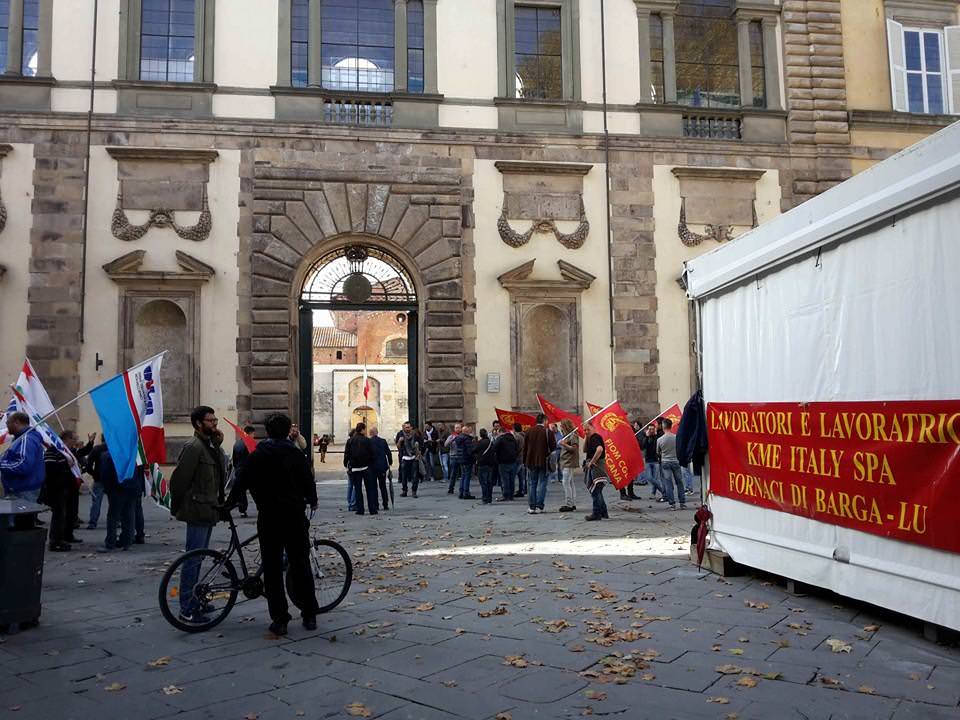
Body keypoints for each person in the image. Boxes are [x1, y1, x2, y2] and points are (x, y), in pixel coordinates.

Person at [232, 412, 321, 636]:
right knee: (300, 565)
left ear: (268, 431)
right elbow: (307, 480)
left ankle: (280, 618)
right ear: (286, 431)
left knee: (272, 569)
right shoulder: (295, 453)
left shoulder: (259, 453)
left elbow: (241, 479)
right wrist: (312, 500)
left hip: (269, 517)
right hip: (293, 516)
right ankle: (309, 613)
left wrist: (228, 504)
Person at [169, 405, 227, 624]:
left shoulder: (209, 445)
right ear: (198, 424)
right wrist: (178, 507)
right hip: (197, 510)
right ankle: (187, 607)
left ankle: (195, 599)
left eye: (215, 420)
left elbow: (220, 473)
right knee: (192, 560)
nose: (214, 423)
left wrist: (217, 445)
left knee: (199, 557)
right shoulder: (193, 447)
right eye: (210, 421)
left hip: (209, 509)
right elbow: (178, 481)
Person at [43, 430, 84, 551]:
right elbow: (50, 468)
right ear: (67, 439)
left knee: (66, 514)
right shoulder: (53, 450)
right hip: (56, 488)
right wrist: (67, 465)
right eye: (74, 439)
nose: (75, 442)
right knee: (58, 516)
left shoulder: (65, 452)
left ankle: (65, 537)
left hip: (66, 487)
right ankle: (55, 541)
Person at [98, 448, 141, 551]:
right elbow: (138, 471)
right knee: (129, 516)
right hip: (132, 488)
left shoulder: (108, 455)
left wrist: (108, 489)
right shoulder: (132, 453)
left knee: (113, 517)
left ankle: (110, 543)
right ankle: (127, 543)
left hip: (117, 489)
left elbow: (105, 475)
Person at [0, 412, 46, 506]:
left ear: (16, 422)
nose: (6, 426)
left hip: (23, 491)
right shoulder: (21, 438)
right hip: (22, 489)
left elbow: (22, 465)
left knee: (21, 520)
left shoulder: (27, 439)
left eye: (8, 422)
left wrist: (1, 464)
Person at [522, 414, 557, 514]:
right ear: (544, 421)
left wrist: (525, 461)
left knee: (532, 484)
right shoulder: (548, 432)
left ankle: (532, 507)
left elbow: (525, 448)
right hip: (544, 462)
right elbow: (553, 447)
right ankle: (539, 506)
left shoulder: (528, 431)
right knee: (542, 483)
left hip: (531, 461)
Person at [344, 422, 378, 515]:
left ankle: (360, 509)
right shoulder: (367, 440)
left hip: (355, 468)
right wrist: (371, 464)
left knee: (358, 489)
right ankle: (372, 509)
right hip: (366, 467)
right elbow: (373, 454)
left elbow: (346, 454)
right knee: (369, 489)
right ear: (362, 429)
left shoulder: (350, 441)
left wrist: (347, 465)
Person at [657, 418, 686, 510]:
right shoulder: (676, 437)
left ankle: (672, 504)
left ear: (663, 426)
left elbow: (658, 452)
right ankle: (682, 503)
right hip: (676, 461)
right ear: (671, 426)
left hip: (665, 462)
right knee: (679, 482)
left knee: (668, 483)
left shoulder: (660, 440)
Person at [583, 421, 609, 521]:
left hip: (597, 468)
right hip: (596, 468)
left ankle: (596, 513)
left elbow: (600, 449)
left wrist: (592, 462)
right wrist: (586, 437)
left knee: (595, 491)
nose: (586, 431)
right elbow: (585, 450)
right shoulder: (591, 438)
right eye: (584, 430)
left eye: (588, 429)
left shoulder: (595, 437)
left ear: (593, 428)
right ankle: (604, 512)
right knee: (598, 491)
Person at [231, 424, 256, 518]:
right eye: (253, 433)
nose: (254, 436)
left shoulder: (237, 444)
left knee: (241, 492)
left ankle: (242, 510)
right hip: (250, 471)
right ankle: (261, 507)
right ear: (249, 433)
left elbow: (234, 460)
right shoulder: (250, 443)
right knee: (255, 490)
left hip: (239, 470)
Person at [83, 436, 107, 529]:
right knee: (114, 502)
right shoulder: (115, 447)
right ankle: (116, 521)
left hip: (99, 478)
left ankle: (93, 522)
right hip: (112, 479)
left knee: (96, 502)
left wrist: (94, 474)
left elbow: (88, 465)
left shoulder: (97, 449)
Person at [557, 419, 580, 512]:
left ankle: (569, 504)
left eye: (562, 426)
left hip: (569, 462)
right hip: (566, 461)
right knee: (570, 483)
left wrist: (563, 444)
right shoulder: (567, 435)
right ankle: (572, 503)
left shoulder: (573, 435)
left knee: (565, 482)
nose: (561, 428)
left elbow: (574, 449)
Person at [494, 425, 520, 501]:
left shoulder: (500, 439)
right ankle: (511, 496)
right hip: (513, 461)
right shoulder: (513, 438)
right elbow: (517, 448)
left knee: (504, 480)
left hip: (503, 462)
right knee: (512, 480)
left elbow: (494, 448)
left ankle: (505, 495)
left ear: (501, 432)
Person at [395, 422, 421, 498]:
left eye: (408, 427)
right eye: (406, 427)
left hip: (414, 457)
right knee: (404, 476)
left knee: (415, 475)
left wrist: (418, 454)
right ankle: (404, 491)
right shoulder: (400, 434)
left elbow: (421, 445)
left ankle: (414, 491)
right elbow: (398, 447)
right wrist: (399, 441)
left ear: (411, 427)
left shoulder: (415, 435)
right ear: (403, 428)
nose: (407, 429)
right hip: (405, 457)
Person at [369, 427, 393, 509]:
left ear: (370, 433)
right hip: (382, 467)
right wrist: (390, 462)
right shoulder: (383, 441)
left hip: (372, 467)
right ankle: (385, 504)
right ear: (377, 432)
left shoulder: (369, 442)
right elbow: (388, 453)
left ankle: (376, 505)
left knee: (373, 487)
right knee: (383, 486)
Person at [640, 423, 665, 501]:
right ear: (647, 430)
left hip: (655, 460)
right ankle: (663, 491)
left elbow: (659, 447)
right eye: (650, 429)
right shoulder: (645, 437)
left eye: (653, 429)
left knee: (654, 478)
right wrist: (646, 437)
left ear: (655, 429)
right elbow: (642, 446)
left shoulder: (657, 437)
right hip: (648, 460)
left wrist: (655, 436)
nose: (651, 431)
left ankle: (653, 493)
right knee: (650, 478)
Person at [475, 428, 497, 504]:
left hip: (482, 464)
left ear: (480, 435)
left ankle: (485, 498)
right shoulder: (490, 442)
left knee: (483, 482)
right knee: (489, 482)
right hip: (490, 464)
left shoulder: (480, 442)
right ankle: (489, 498)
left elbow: (474, 450)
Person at [454, 424, 476, 500]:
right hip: (467, 459)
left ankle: (461, 492)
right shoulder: (467, 439)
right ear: (467, 431)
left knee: (463, 476)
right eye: (469, 430)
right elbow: (470, 451)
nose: (470, 431)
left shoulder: (459, 438)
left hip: (461, 459)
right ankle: (466, 493)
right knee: (467, 476)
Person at [445, 422, 463, 495]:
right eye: (456, 428)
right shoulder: (451, 436)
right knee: (453, 474)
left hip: (461, 457)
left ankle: (462, 489)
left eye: (459, 427)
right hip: (453, 457)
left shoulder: (463, 436)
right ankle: (451, 488)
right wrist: (452, 440)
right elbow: (445, 444)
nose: (457, 429)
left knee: (463, 474)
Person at [512, 423, 527, 497]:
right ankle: (522, 490)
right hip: (523, 458)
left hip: (517, 458)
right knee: (521, 477)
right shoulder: (524, 436)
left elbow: (515, 448)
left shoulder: (516, 437)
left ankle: (513, 491)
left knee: (513, 475)